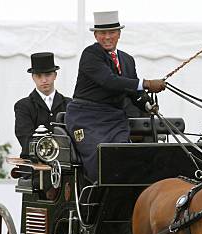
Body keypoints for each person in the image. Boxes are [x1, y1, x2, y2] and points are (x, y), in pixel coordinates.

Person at [66, 10, 166, 182]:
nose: (107, 37)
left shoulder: (127, 60)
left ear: (119, 33)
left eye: (111, 32)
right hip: (86, 117)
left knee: (123, 154)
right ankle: (95, 197)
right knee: (101, 156)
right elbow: (109, 81)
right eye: (103, 33)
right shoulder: (90, 55)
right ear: (96, 35)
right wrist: (148, 83)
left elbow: (134, 91)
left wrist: (147, 105)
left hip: (114, 118)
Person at [14, 52, 71, 157]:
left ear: (55, 75)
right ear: (33, 77)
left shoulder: (69, 104)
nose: (44, 80)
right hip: (34, 166)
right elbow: (25, 138)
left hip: (65, 166)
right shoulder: (23, 106)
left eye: (48, 75)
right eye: (39, 76)